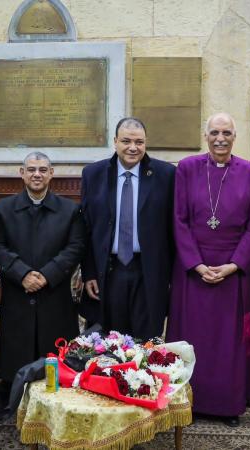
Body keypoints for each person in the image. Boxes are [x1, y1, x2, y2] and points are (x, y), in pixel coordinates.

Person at [166, 112, 250, 427]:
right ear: (205, 135)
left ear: (235, 137)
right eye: (214, 133)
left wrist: (233, 266)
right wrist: (196, 264)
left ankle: (227, 405)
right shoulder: (187, 168)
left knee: (229, 344)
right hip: (192, 270)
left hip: (232, 272)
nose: (220, 138)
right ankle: (186, 403)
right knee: (191, 340)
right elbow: (178, 220)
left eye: (226, 133)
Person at [0, 151, 85, 417]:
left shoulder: (69, 210)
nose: (37, 175)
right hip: (18, 292)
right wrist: (21, 274)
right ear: (22, 173)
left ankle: (55, 402)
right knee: (16, 347)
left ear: (51, 174)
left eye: (43, 170)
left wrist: (47, 275)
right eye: (31, 169)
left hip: (54, 293)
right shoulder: (4, 209)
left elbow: (75, 247)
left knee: (54, 348)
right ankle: (13, 398)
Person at [79, 117, 175, 339]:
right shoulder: (94, 174)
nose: (133, 147)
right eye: (126, 141)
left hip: (148, 272)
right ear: (115, 142)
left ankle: (142, 376)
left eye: (139, 142)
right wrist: (89, 272)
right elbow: (86, 228)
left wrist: (171, 277)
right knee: (109, 340)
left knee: (146, 340)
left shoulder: (166, 175)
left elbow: (173, 227)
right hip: (109, 272)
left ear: (146, 143)